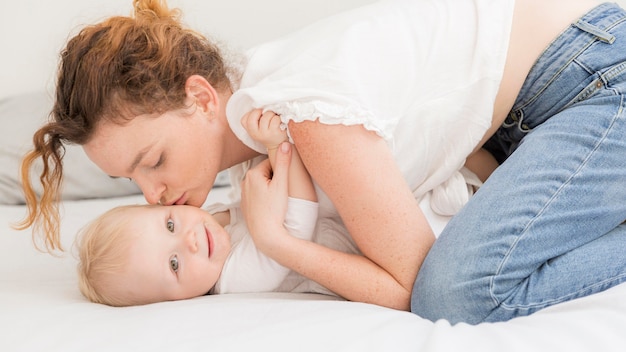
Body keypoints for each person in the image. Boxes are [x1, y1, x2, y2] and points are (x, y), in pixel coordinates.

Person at [17, 0, 626, 324]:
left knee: (454, 296)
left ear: (201, 97)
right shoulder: (252, 151)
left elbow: (416, 285)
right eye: (131, 181)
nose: (152, 194)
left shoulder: (299, 113)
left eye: (153, 160)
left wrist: (278, 244)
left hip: (596, 80)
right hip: (534, 121)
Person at [76, 111, 339, 306]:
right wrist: (277, 148)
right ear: (172, 300)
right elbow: (297, 225)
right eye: (174, 264)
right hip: (350, 248)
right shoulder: (235, 278)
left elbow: (252, 203)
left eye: (170, 225)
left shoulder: (209, 223)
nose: (189, 240)